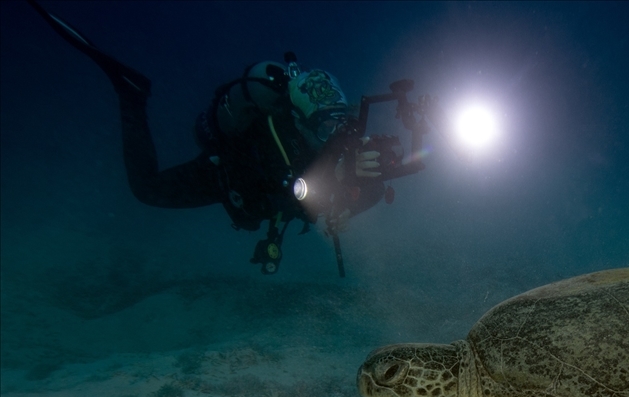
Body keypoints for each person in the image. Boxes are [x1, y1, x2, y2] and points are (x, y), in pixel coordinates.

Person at [28, 0, 387, 275]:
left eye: (338, 124)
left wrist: (351, 201)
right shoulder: (276, 138)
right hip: (225, 174)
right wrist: (332, 181)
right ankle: (131, 96)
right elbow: (285, 195)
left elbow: (368, 187)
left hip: (260, 188)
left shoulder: (341, 138)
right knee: (146, 188)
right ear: (299, 119)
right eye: (322, 127)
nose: (332, 134)